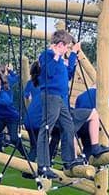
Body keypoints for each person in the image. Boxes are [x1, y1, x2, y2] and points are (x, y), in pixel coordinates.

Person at [29, 30, 88, 179]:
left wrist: (73, 55)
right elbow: (48, 73)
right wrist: (57, 56)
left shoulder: (60, 59)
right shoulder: (46, 55)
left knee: (68, 126)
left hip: (61, 98)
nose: (66, 50)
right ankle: (43, 165)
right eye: (66, 47)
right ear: (60, 45)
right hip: (51, 96)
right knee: (46, 128)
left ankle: (69, 160)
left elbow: (67, 74)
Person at [0, 71, 22, 153]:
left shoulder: (5, 90)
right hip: (2, 117)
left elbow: (7, 102)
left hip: (11, 117)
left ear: (0, 80)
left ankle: (25, 153)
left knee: (14, 138)